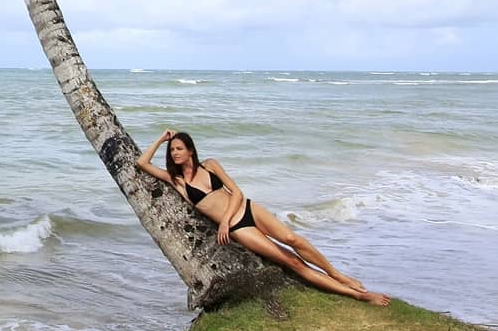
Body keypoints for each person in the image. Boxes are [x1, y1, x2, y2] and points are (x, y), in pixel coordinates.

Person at [136, 129, 390, 305]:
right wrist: (161, 139)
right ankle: (358, 296)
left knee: (293, 238)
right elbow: (142, 163)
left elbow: (236, 191)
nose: (174, 154)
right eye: (172, 151)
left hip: (246, 209)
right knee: (294, 263)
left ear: (191, 151)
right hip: (239, 228)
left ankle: (338, 275)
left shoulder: (210, 165)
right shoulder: (177, 181)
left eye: (179, 149)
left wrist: (223, 220)